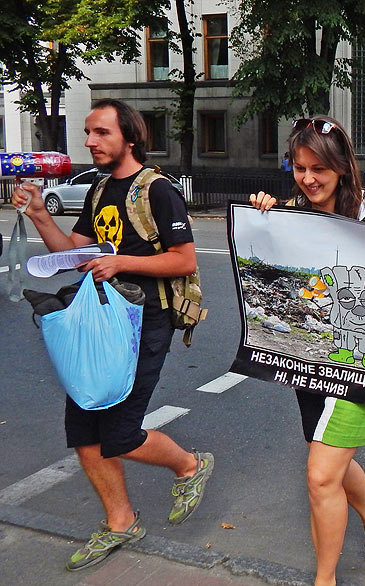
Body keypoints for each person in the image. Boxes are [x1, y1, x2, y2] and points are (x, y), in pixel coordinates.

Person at [12, 99, 214, 571]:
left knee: (120, 433)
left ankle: (190, 465)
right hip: (100, 319)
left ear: (130, 136)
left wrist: (120, 261)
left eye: (101, 132)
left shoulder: (158, 190)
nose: (89, 141)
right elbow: (73, 253)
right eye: (88, 132)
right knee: (83, 428)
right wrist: (40, 214)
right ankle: (121, 521)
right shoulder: (100, 188)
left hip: (146, 322)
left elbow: (184, 259)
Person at [249, 116, 365, 586]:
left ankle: (324, 579)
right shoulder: (293, 211)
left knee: (321, 475)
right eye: (299, 168)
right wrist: (263, 216)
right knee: (329, 460)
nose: (308, 179)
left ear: (342, 167)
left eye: (319, 169)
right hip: (312, 363)